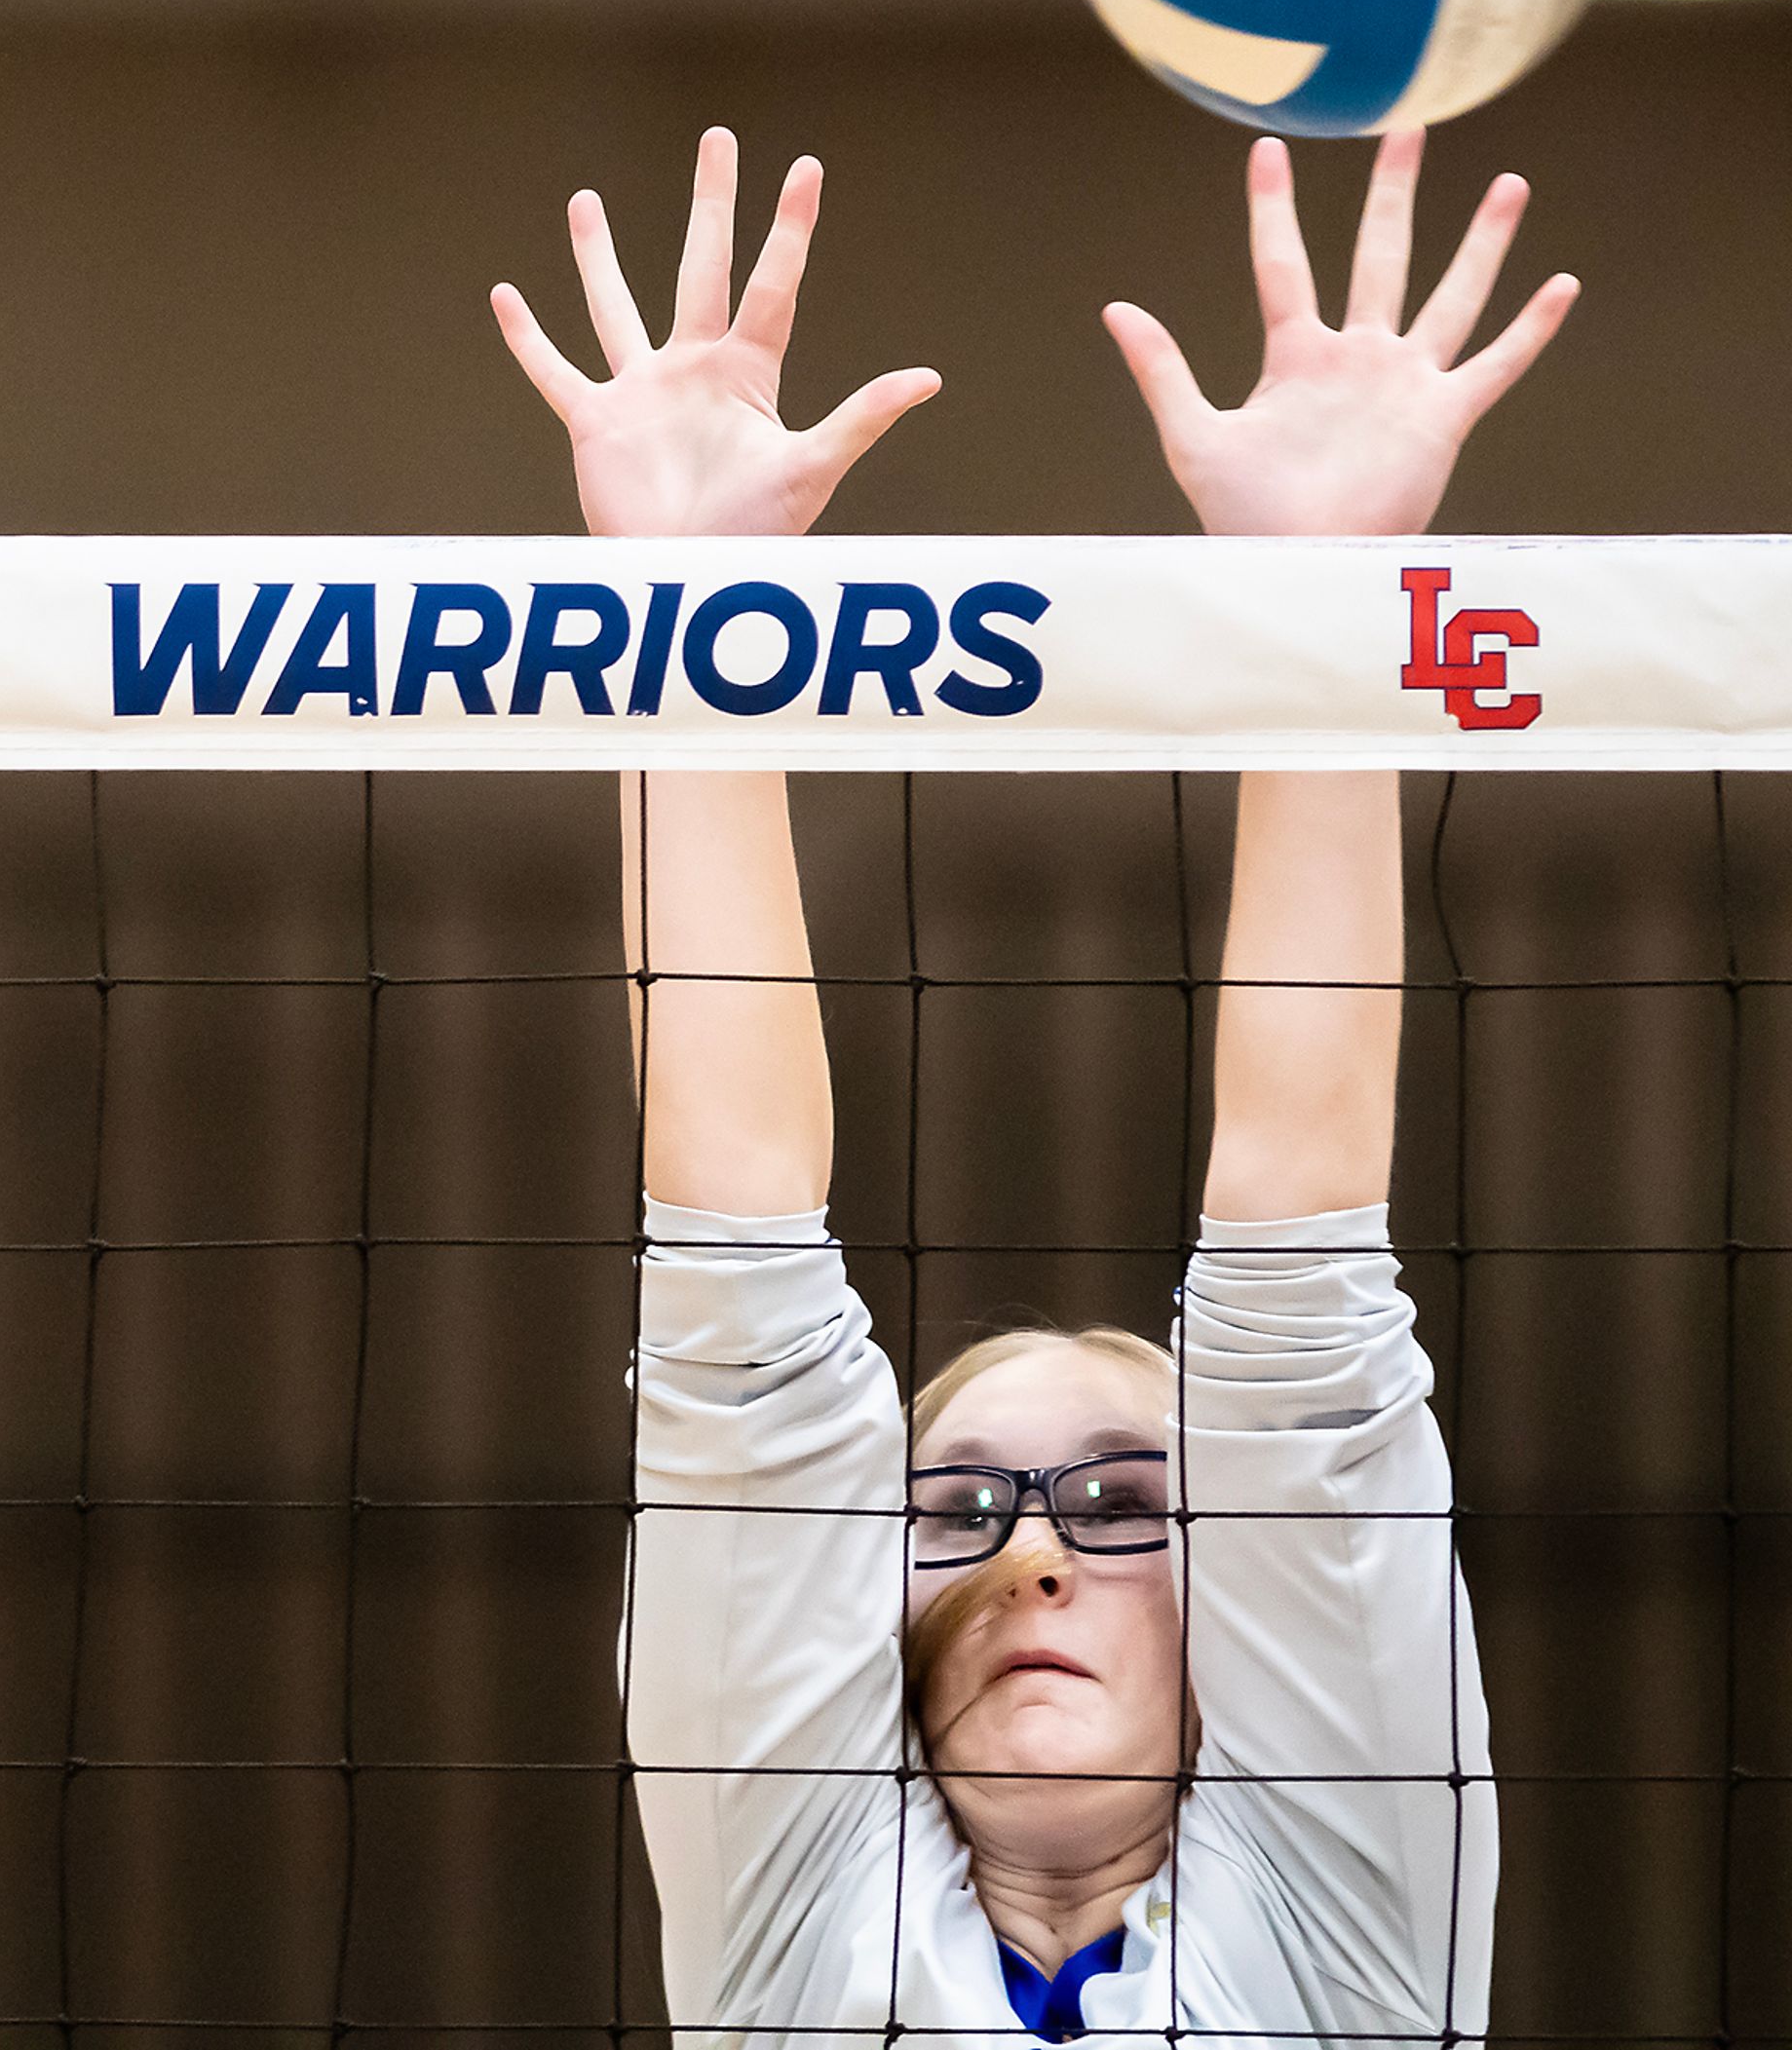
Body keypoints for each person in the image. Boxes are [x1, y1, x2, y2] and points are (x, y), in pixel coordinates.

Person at [491, 127, 1574, 2046]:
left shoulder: (1355, 1927)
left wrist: (1336, 600)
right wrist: (679, 612)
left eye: (1130, 1499)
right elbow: (734, 1303)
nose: (1038, 1549)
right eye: (960, 1507)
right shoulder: (795, 1933)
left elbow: (1302, 1294)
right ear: (868, 1636)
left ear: (1255, 1619)